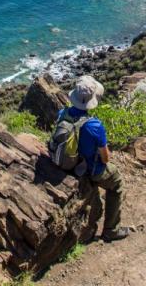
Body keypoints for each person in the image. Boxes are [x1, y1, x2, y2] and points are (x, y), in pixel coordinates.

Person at [57, 75, 131, 242]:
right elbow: (105, 159)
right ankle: (111, 230)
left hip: (68, 165)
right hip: (90, 170)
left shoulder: (62, 113)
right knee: (117, 183)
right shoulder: (94, 126)